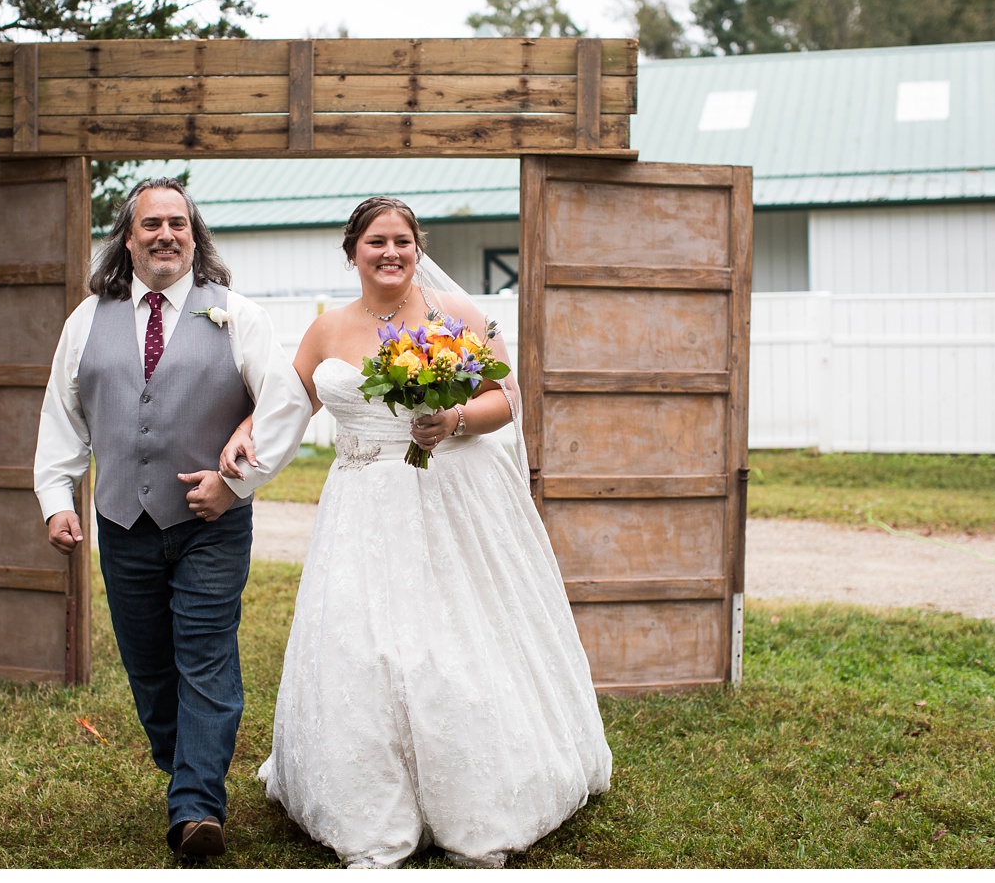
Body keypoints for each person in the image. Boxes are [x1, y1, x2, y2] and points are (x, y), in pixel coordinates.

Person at [219, 196, 611, 868]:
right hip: (362, 504)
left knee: (460, 633)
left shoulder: (456, 316)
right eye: (377, 241)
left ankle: (479, 787)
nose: (391, 251)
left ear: (417, 246)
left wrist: (454, 418)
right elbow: (288, 404)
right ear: (353, 252)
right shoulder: (326, 330)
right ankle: (371, 795)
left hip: (453, 496)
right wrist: (242, 433)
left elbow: (505, 399)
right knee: (362, 639)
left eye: (402, 239)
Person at [32, 178, 310, 857]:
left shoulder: (236, 313)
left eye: (178, 224)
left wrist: (235, 488)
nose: (166, 235)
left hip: (209, 526)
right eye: (151, 223)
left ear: (194, 235)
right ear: (128, 238)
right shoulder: (85, 320)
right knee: (150, 669)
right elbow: (63, 415)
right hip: (122, 523)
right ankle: (185, 767)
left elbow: (285, 406)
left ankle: (196, 807)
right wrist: (55, 499)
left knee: (206, 658)